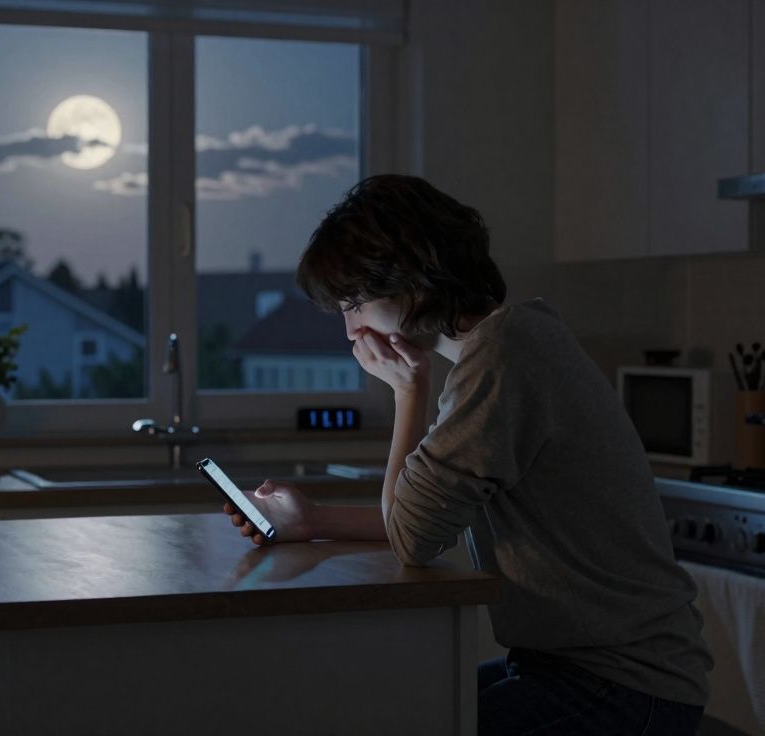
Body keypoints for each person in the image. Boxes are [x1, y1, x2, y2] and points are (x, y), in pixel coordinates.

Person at [223, 174, 711, 735]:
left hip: (624, 685)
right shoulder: (512, 342)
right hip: (575, 667)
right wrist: (312, 522)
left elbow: (414, 539)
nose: (351, 328)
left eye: (355, 303)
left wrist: (408, 394)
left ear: (413, 281)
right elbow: (435, 518)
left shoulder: (501, 359)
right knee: (391, 709)